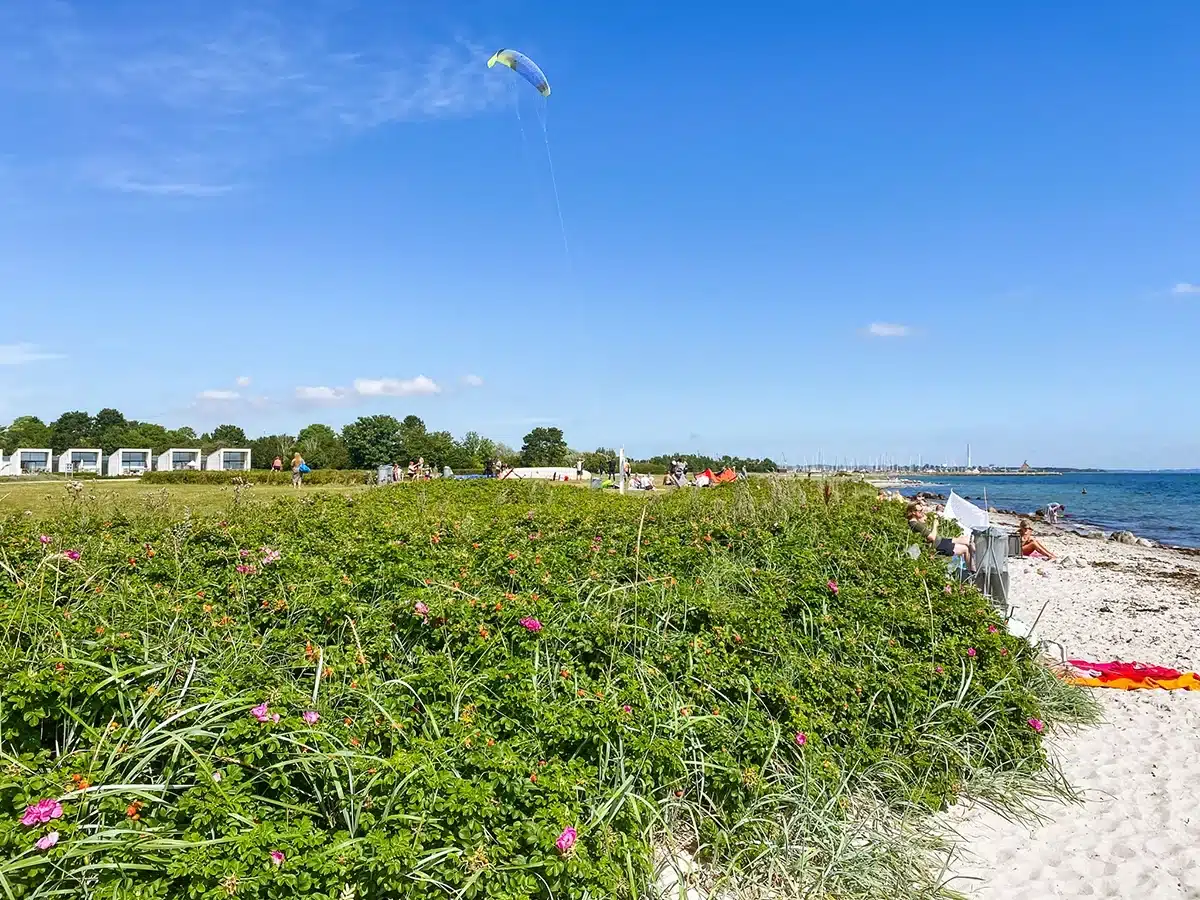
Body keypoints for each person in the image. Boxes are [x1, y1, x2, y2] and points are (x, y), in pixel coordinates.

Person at [907, 502, 971, 567]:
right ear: (913, 512)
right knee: (965, 549)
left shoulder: (917, 521)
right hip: (937, 545)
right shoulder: (915, 524)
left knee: (967, 540)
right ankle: (972, 572)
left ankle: (974, 568)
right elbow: (932, 537)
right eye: (920, 511)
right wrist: (935, 525)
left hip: (940, 540)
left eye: (922, 509)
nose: (922, 512)